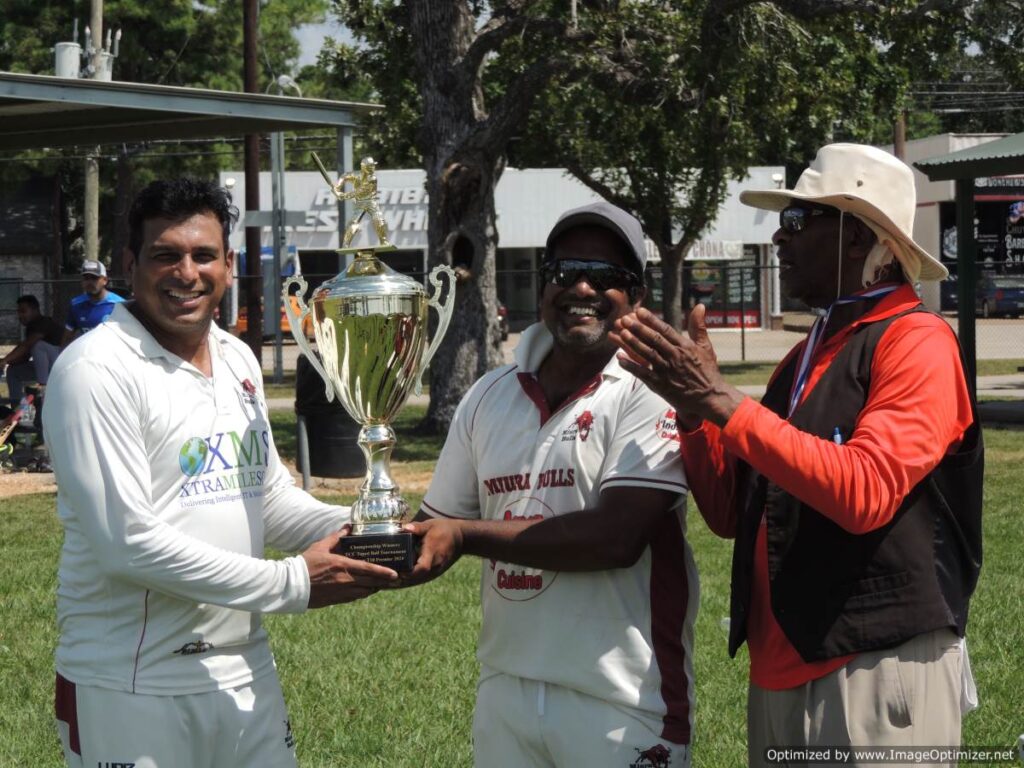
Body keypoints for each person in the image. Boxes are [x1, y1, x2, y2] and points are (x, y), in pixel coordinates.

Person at [611, 144, 983, 765]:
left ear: (859, 238)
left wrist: (724, 402)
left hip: (875, 666)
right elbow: (733, 515)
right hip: (782, 672)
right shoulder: (808, 355)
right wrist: (695, 411)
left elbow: (865, 492)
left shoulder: (917, 341)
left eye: (797, 221)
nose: (779, 239)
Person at [42, 178, 399, 768]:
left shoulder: (236, 358)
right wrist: (295, 583)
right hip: (131, 684)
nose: (186, 272)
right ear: (130, 264)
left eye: (203, 255)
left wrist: (373, 526)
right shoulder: (94, 370)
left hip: (244, 669)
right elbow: (127, 545)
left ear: (229, 266)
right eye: (165, 255)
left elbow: (268, 498)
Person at [405, 201, 696, 767]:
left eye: (608, 276)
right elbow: (431, 530)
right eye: (565, 272)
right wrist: (354, 548)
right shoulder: (489, 394)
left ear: (636, 297)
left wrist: (464, 535)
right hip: (505, 690)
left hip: (623, 702)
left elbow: (616, 538)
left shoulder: (652, 391)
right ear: (543, 286)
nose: (582, 287)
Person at [2, 294, 63, 405]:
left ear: (35, 310)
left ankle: (42, 390)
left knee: (37, 345)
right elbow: (24, 356)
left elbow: (26, 345)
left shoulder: (44, 323)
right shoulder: (31, 328)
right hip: (45, 367)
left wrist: (4, 360)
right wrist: (6, 363)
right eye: (18, 312)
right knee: (13, 371)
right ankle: (17, 411)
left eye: (23, 311)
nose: (20, 315)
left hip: (59, 366)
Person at [62, 258, 126, 343]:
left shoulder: (119, 304)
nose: (90, 282)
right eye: (86, 278)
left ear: (105, 280)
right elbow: (67, 337)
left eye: (94, 278)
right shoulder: (76, 305)